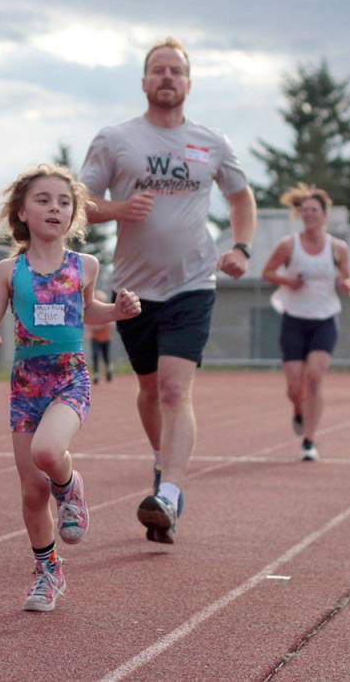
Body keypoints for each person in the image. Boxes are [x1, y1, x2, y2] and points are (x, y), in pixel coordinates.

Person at [80, 36, 256, 544]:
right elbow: (79, 202)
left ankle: (170, 494)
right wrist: (119, 209)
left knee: (177, 390)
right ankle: (163, 460)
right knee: (150, 390)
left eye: (176, 70)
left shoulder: (211, 142)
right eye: (158, 69)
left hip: (192, 282)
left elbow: (241, 197)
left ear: (189, 83)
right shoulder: (116, 139)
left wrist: (241, 248)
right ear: (144, 81)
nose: (167, 77)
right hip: (133, 288)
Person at [0, 164, 141, 612]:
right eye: (43, 200)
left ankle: (70, 487)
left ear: (74, 214)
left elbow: (90, 310)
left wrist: (118, 311)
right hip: (26, 384)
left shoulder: (84, 265)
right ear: (22, 212)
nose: (55, 208)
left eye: (64, 202)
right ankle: (48, 572)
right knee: (32, 490)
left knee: (47, 453)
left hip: (70, 377)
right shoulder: (8, 270)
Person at [262, 184, 350, 462]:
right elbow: (267, 272)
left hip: (324, 320)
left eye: (314, 210)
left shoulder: (338, 248)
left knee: (314, 378)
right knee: (294, 388)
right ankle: (298, 409)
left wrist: (346, 285)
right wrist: (287, 280)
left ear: (325, 215)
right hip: (294, 319)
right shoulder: (288, 245)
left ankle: (309, 440)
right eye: (305, 210)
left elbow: (348, 279)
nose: (309, 214)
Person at [87, 289, 114, 384]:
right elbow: (89, 324)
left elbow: (110, 324)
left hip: (106, 338)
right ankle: (96, 374)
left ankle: (109, 370)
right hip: (95, 338)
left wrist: (98, 327)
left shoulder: (107, 311)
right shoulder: (92, 313)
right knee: (95, 355)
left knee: (106, 356)